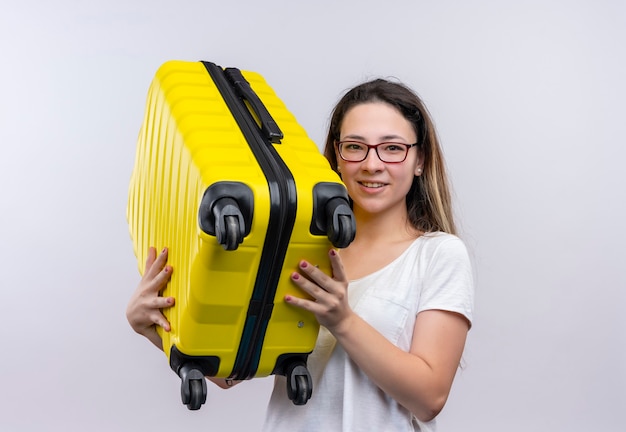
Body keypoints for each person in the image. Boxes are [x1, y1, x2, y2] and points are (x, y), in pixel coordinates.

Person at [126, 78, 474, 431]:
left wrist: (343, 321)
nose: (372, 164)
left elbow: (429, 398)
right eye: (355, 147)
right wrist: (156, 330)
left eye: (392, 148)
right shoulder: (296, 243)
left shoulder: (438, 256)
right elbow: (233, 370)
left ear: (419, 160)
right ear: (336, 156)